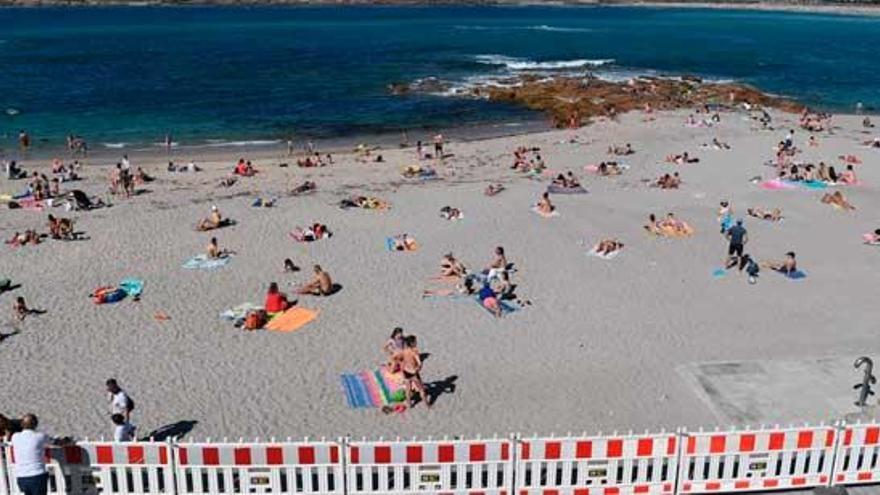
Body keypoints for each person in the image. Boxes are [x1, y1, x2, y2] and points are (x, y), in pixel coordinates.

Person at [10, 414, 63, 495]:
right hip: (37, 475)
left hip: (21, 476)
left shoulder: (15, 437)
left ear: (22, 424)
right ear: (35, 424)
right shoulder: (40, 436)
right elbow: (56, 443)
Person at [396, 336, 431, 409]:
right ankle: (427, 404)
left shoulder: (404, 351)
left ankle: (409, 404)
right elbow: (419, 363)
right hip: (413, 373)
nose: (416, 342)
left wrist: (403, 368)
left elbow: (399, 359)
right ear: (412, 343)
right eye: (415, 341)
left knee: (408, 389)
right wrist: (419, 368)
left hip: (406, 371)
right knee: (421, 389)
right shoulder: (414, 351)